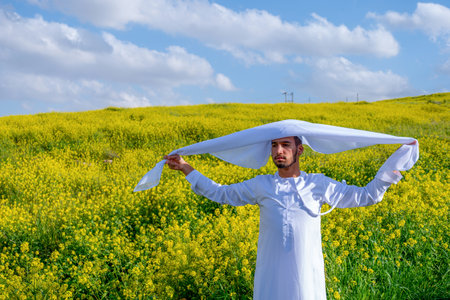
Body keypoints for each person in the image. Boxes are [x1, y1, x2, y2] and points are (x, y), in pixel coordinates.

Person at [164, 135, 404, 300]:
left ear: (299, 150)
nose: (279, 151)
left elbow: (364, 196)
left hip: (305, 275)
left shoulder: (317, 184)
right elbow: (221, 192)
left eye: (286, 145)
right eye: (275, 146)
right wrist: (186, 167)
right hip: (271, 273)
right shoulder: (262, 185)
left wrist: (389, 172)